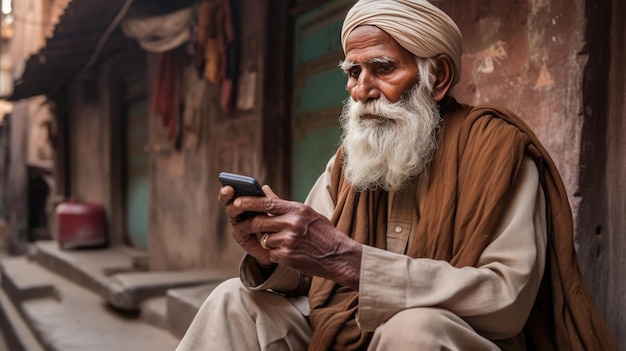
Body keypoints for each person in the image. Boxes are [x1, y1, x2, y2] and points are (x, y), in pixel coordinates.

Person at [177, 0, 616, 350]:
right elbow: (314, 272)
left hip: (450, 341)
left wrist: (353, 262)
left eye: (382, 69)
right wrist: (271, 255)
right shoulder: (351, 160)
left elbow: (507, 301)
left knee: (414, 330)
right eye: (353, 72)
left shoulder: (497, 152)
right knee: (232, 301)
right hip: (350, 331)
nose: (361, 89)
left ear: (438, 76)